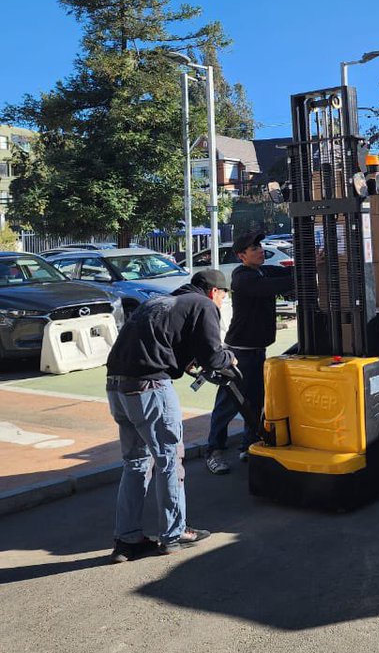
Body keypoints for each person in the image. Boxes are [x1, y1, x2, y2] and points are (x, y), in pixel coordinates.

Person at [106, 268, 234, 562]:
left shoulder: (161, 301)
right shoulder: (203, 305)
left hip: (117, 384)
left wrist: (183, 363)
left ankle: (127, 541)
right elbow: (214, 355)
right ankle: (174, 533)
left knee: (136, 462)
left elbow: (161, 343)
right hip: (150, 387)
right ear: (215, 292)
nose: (223, 300)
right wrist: (230, 358)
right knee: (169, 460)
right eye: (224, 295)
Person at [205, 232, 295, 475]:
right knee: (228, 403)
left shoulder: (262, 271)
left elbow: (289, 274)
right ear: (241, 255)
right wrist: (303, 275)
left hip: (257, 352)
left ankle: (248, 445)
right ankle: (214, 451)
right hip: (238, 354)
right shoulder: (242, 278)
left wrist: (314, 264)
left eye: (260, 245)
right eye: (253, 247)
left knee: (255, 402)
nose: (260, 250)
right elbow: (279, 285)